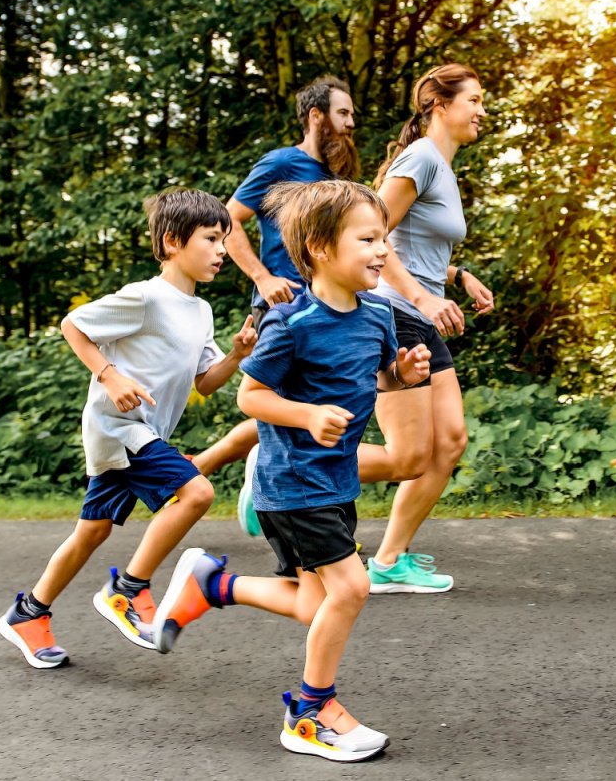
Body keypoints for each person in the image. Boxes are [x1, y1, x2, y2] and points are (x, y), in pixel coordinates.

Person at [143, 181, 431, 761]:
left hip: (336, 481)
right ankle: (310, 711)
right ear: (322, 247)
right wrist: (305, 415)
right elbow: (251, 396)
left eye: (384, 239)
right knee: (351, 587)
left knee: (311, 603)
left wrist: (402, 374)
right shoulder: (292, 322)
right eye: (368, 239)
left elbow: (376, 380)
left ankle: (212, 584)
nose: (382, 251)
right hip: (294, 483)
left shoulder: (376, 315)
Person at [0, 188, 258, 669]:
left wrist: (237, 355)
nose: (222, 250)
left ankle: (28, 613)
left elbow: (205, 382)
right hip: (118, 427)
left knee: (90, 533)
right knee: (197, 493)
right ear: (175, 241)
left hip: (139, 431)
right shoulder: (146, 298)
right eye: (212, 239)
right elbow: (73, 324)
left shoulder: (200, 311)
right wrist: (109, 375)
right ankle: (128, 589)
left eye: (224, 240)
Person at [193, 76, 422, 505]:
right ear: (316, 117)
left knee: (322, 403)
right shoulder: (281, 163)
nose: (351, 122)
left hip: (333, 306)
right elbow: (229, 217)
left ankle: (300, 510)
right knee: (278, 403)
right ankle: (260, 487)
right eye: (343, 113)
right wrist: (262, 277)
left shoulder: (333, 180)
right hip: (287, 306)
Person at [364, 64, 496, 595]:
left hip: (419, 312)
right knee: (408, 454)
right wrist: (421, 295)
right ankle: (277, 473)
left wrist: (456, 275)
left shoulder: (440, 165)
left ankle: (389, 561)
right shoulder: (420, 157)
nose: (483, 110)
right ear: (441, 106)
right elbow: (371, 236)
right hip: (395, 313)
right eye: (475, 100)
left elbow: (415, 249)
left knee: (450, 443)